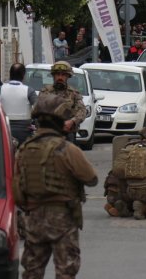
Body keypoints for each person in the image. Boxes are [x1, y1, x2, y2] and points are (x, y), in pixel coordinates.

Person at [14, 94, 98, 279]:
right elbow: (91, 178)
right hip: (63, 218)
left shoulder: (24, 149)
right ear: (61, 120)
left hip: (33, 217)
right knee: (66, 271)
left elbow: (17, 189)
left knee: (32, 271)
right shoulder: (67, 149)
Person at [40, 61, 87, 143]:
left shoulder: (74, 93)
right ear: (53, 76)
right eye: (57, 74)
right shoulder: (45, 92)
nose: (60, 77)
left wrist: (72, 121)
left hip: (68, 135)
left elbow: (82, 111)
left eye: (63, 75)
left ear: (68, 76)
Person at [0, 63, 38, 145]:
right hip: (24, 131)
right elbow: (38, 109)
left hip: (4, 129)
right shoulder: (29, 91)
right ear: (23, 75)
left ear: (10, 74)